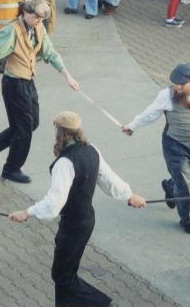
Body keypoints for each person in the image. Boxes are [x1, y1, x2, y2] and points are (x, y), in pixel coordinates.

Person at [9, 111, 146, 307]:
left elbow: (54, 203)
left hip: (73, 226)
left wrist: (27, 212)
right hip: (86, 221)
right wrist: (129, 195)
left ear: (61, 133)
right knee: (67, 273)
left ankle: (103, 303)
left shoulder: (64, 163)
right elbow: (108, 179)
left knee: (62, 276)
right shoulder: (92, 150)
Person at [0, 0, 79, 184]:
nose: (40, 22)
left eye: (42, 19)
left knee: (32, 123)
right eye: (37, 18)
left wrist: (67, 75)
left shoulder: (39, 27)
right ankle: (12, 168)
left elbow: (50, 52)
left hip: (28, 82)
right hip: (14, 85)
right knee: (24, 129)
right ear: (26, 13)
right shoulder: (11, 31)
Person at [121, 63, 190, 234]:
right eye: (175, 83)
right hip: (174, 144)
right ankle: (187, 220)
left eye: (181, 84)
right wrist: (132, 126)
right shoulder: (166, 95)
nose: (177, 87)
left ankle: (169, 186)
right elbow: (150, 113)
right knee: (184, 184)